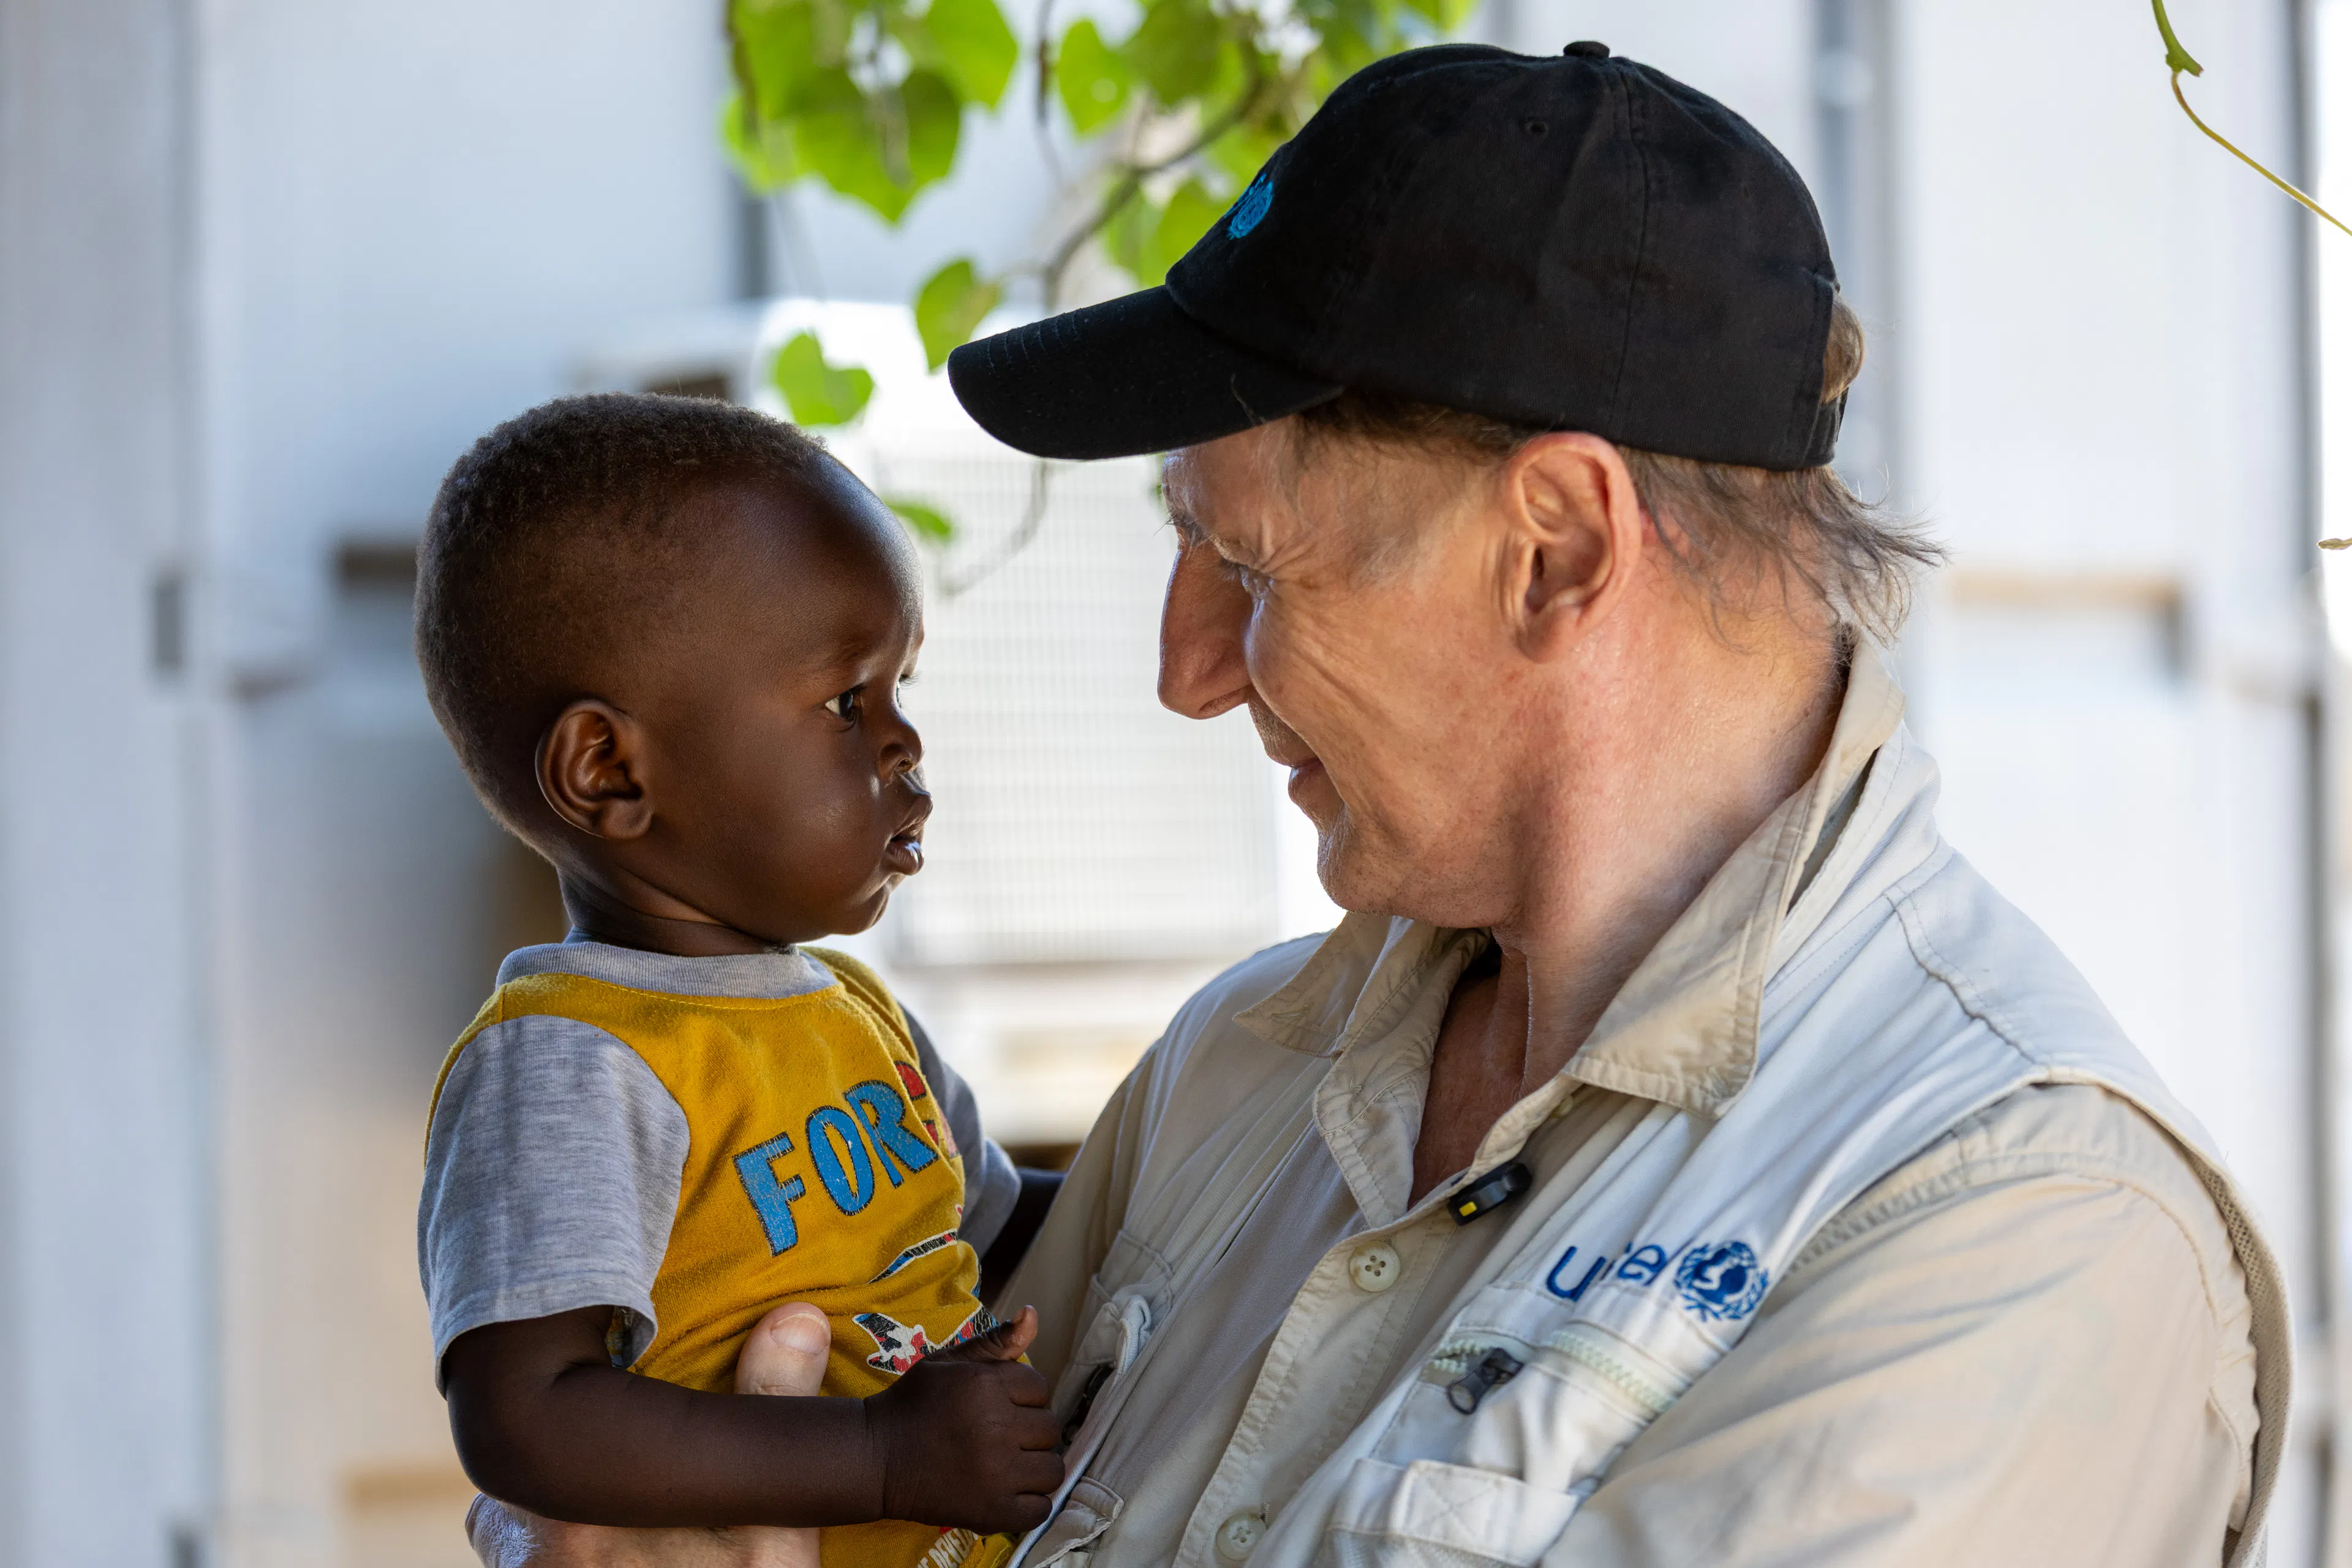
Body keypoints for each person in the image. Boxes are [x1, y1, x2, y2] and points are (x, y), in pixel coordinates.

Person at [941, 40, 2289, 1568]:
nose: (1189, 675)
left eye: (1250, 569)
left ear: (1561, 549)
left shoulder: (2020, 1228)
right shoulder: (1238, 1063)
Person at [412, 394, 1065, 1568]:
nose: (904, 742)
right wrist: (876, 1455)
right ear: (610, 770)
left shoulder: (849, 1009)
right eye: (844, 702)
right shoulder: (569, 1061)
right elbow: (526, 1416)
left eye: (899, 691)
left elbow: (1014, 1232)